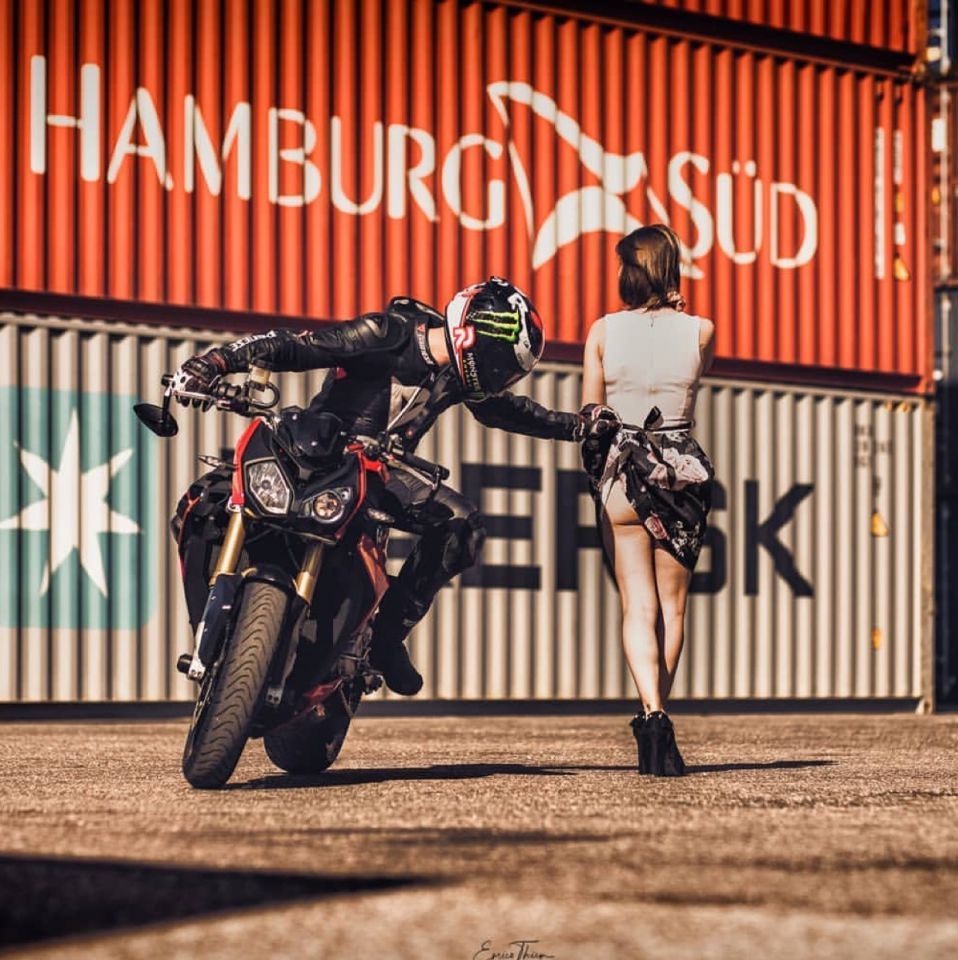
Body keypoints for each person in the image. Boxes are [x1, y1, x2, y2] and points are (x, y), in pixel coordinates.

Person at [171, 277, 592, 696]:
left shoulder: (460, 376)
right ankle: (214, 623)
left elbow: (508, 412)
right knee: (203, 500)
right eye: (498, 360)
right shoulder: (386, 333)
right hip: (319, 456)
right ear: (471, 330)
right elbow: (298, 347)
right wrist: (215, 362)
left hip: (383, 475)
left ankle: (386, 639)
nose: (498, 374)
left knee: (463, 525)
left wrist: (579, 427)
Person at [579, 225, 715, 776]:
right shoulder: (701, 330)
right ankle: (657, 718)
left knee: (638, 606)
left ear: (630, 273)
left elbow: (592, 413)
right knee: (673, 609)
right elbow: (692, 383)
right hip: (681, 475)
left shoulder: (603, 331)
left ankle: (652, 713)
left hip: (623, 475)